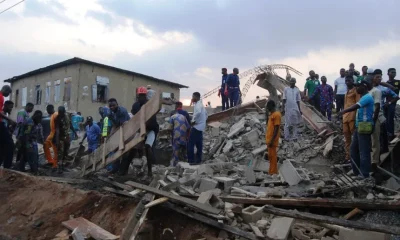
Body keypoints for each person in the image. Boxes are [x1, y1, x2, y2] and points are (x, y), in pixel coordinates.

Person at [119, 87, 159, 176]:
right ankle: (124, 170)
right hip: (140, 129)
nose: (141, 97)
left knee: (148, 147)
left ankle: (149, 172)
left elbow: (152, 121)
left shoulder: (150, 105)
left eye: (143, 95)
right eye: (140, 95)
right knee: (133, 149)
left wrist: (143, 125)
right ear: (137, 95)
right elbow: (133, 117)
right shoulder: (135, 105)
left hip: (151, 129)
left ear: (145, 96)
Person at [338, 81, 374, 178]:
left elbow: (356, 106)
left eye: (358, 86)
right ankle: (356, 171)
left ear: (364, 87)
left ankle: (364, 174)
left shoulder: (367, 97)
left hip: (364, 126)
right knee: (354, 149)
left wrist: (344, 111)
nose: (356, 88)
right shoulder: (363, 97)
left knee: (363, 151)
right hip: (360, 126)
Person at [373, 69, 399, 154]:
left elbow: (396, 96)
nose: (379, 79)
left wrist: (389, 102)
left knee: (382, 129)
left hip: (380, 111)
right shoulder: (369, 88)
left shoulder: (384, 89)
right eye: (377, 77)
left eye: (380, 77)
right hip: (370, 111)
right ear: (373, 78)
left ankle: (383, 148)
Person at [107, 98, 131, 173]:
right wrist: (110, 136)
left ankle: (121, 170)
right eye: (110, 106)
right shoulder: (110, 112)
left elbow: (122, 125)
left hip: (126, 127)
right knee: (112, 145)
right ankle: (114, 168)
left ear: (117, 104)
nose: (112, 107)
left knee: (122, 149)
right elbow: (115, 124)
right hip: (118, 126)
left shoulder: (122, 111)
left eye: (113, 105)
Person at [342, 76, 360, 162]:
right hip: (345, 117)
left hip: (353, 117)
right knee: (347, 138)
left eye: (349, 80)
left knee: (355, 138)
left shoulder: (356, 91)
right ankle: (348, 157)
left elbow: (358, 104)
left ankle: (356, 157)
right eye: (346, 80)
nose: (347, 82)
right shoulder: (346, 92)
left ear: (353, 81)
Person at [188, 92, 207, 165]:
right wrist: (202, 121)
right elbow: (206, 115)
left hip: (196, 127)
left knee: (190, 144)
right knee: (199, 145)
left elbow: (198, 113)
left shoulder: (198, 105)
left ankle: (191, 160)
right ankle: (198, 160)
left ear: (196, 97)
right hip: (201, 127)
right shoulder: (201, 105)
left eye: (193, 97)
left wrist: (194, 121)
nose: (192, 98)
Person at [368, 70, 383, 168]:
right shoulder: (369, 92)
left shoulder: (376, 91)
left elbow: (377, 106)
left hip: (374, 117)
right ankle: (372, 159)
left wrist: (374, 120)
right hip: (368, 118)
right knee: (370, 140)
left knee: (375, 140)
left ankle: (375, 161)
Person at [0, 85, 16, 169]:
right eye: (8, 93)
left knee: (3, 147)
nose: (7, 95)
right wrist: (10, 120)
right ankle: (7, 168)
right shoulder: (1, 97)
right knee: (10, 145)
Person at [265, 100, 281, 175]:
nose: (267, 108)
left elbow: (276, 128)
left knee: (273, 157)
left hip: (272, 140)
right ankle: (271, 171)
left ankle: (273, 172)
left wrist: (272, 140)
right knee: (270, 157)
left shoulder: (276, 115)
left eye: (268, 107)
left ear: (271, 106)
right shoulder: (271, 115)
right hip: (269, 140)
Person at [385, 68, 400, 141]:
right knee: (386, 119)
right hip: (386, 103)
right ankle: (388, 134)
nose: (394, 73)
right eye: (392, 72)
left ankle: (391, 134)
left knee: (390, 119)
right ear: (388, 73)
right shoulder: (386, 83)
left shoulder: (398, 82)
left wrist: (391, 102)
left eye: (395, 72)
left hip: (392, 103)